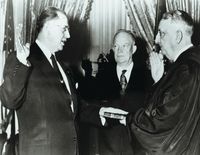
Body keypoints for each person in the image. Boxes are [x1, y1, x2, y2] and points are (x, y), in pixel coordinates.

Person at [0, 7, 121, 155]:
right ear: (48, 27)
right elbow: (9, 100)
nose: (68, 35)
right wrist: (21, 62)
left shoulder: (63, 67)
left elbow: (72, 107)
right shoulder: (23, 60)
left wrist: (101, 112)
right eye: (64, 29)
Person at [111, 10, 200, 155]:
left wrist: (127, 119)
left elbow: (159, 126)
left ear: (178, 36)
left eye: (162, 33)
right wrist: (159, 80)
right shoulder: (192, 63)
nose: (157, 39)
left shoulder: (185, 70)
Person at [96, 29, 152, 155]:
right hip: (108, 147)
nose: (119, 50)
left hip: (138, 148)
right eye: (116, 46)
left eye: (125, 46)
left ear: (134, 49)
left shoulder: (147, 77)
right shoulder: (102, 76)